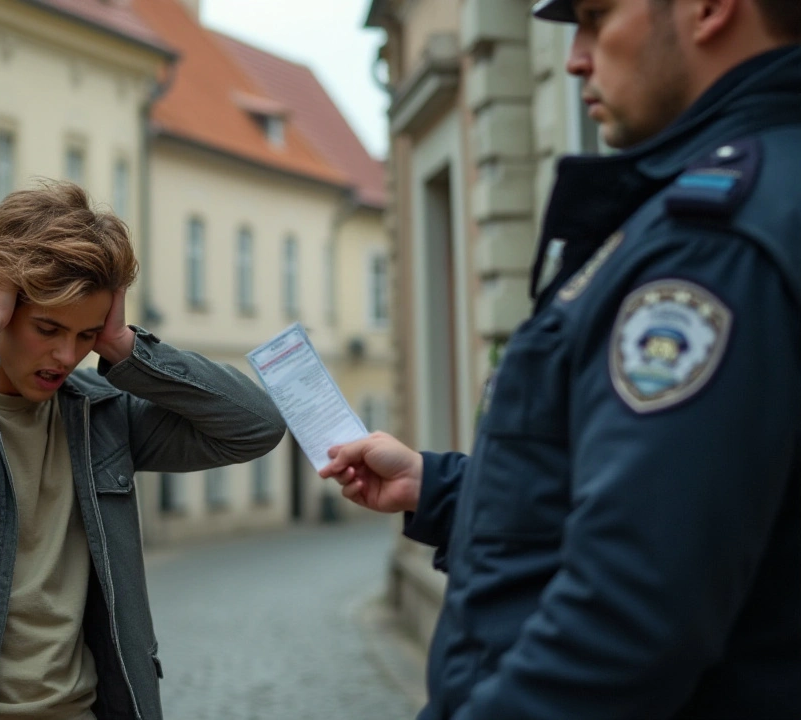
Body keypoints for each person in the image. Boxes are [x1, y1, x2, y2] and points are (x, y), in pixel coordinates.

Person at [321, 1, 801, 718]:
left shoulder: (710, 246)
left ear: (707, 9)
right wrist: (445, 487)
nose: (576, 56)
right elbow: (663, 497)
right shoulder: (736, 201)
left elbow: (624, 621)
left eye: (596, 17)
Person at [0, 181, 286, 720]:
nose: (65, 355)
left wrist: (123, 346)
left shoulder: (101, 417)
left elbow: (257, 425)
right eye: (47, 327)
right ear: (4, 301)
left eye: (85, 334)